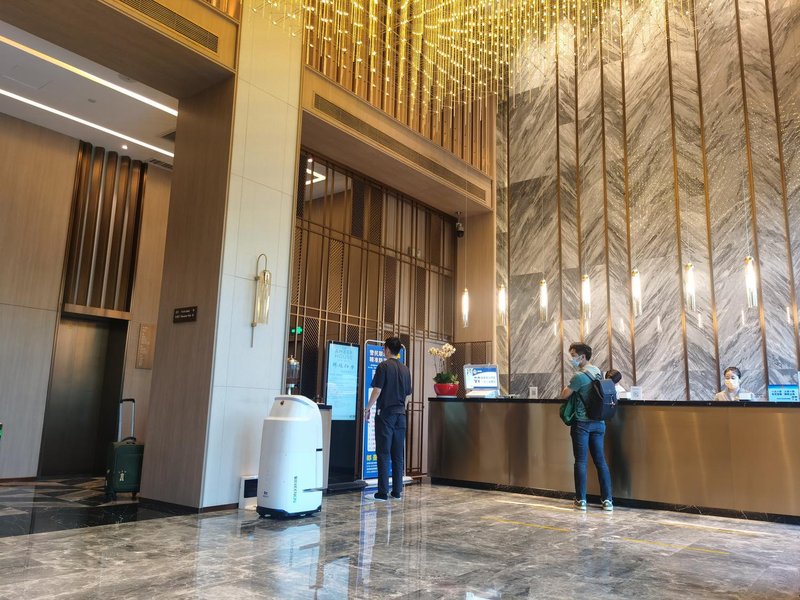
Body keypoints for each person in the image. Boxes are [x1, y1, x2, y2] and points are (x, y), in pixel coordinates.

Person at [560, 342, 613, 511]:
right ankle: (607, 501)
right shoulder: (597, 372)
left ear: (582, 356)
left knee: (581, 461)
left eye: (573, 355)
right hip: (599, 423)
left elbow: (564, 394)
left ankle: (581, 500)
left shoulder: (578, 377)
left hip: (582, 423)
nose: (572, 359)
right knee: (600, 461)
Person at [364, 337, 412, 501]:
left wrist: (367, 408)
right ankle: (397, 491)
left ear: (387, 349)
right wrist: (401, 409)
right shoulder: (405, 369)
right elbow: (408, 395)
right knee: (398, 454)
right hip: (401, 415)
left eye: (384, 348)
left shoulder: (383, 366)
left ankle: (382, 493)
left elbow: (377, 390)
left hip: (386, 415)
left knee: (383, 453)